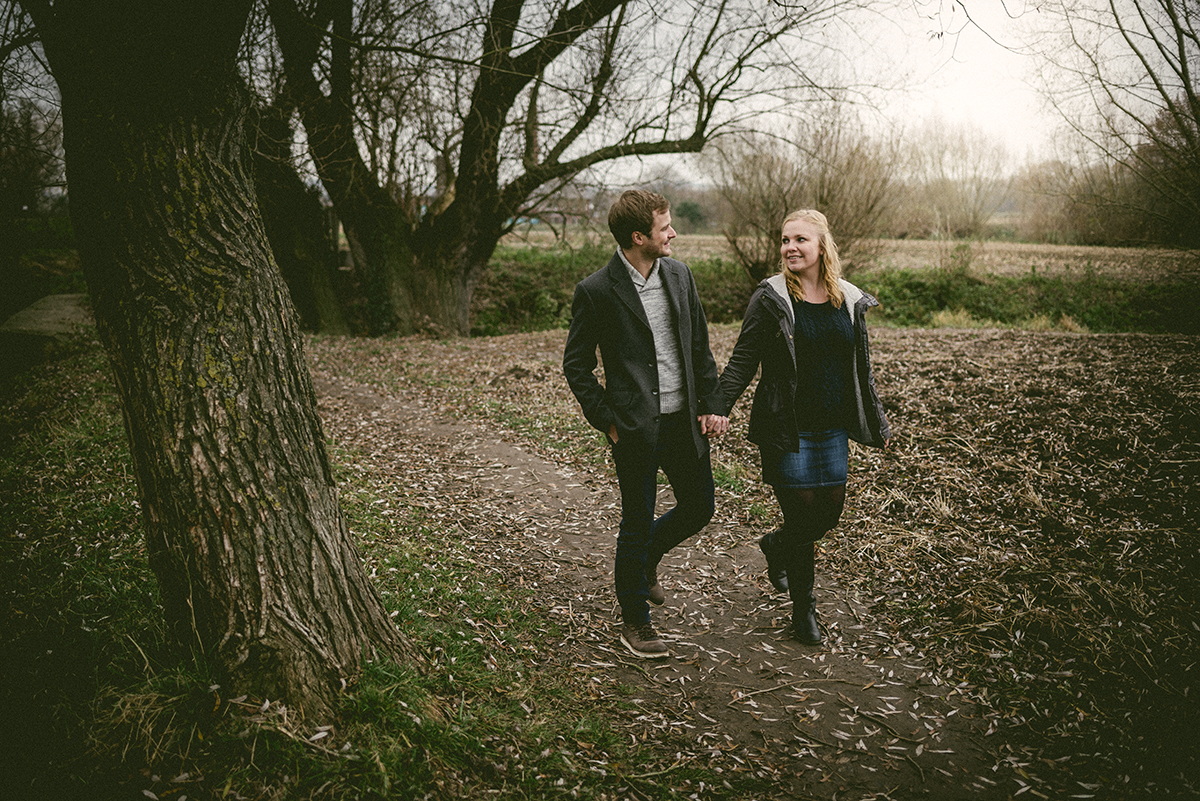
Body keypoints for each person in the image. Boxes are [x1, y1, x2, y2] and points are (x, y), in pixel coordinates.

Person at [563, 190, 730, 659]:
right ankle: (636, 620)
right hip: (634, 429)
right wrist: (608, 422)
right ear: (639, 237)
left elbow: (700, 347)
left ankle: (647, 561)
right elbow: (576, 366)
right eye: (665, 227)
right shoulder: (596, 290)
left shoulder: (679, 275)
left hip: (684, 424)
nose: (674, 233)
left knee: (699, 508)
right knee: (635, 522)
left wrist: (711, 401)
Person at [716, 209, 890, 645]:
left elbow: (860, 367)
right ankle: (804, 609)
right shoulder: (772, 297)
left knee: (828, 511)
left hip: (831, 426)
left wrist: (875, 418)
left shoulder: (845, 298)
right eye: (784, 240)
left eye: (800, 240)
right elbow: (744, 358)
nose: (790, 247)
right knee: (801, 512)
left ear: (821, 246)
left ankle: (776, 545)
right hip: (786, 426)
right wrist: (719, 405)